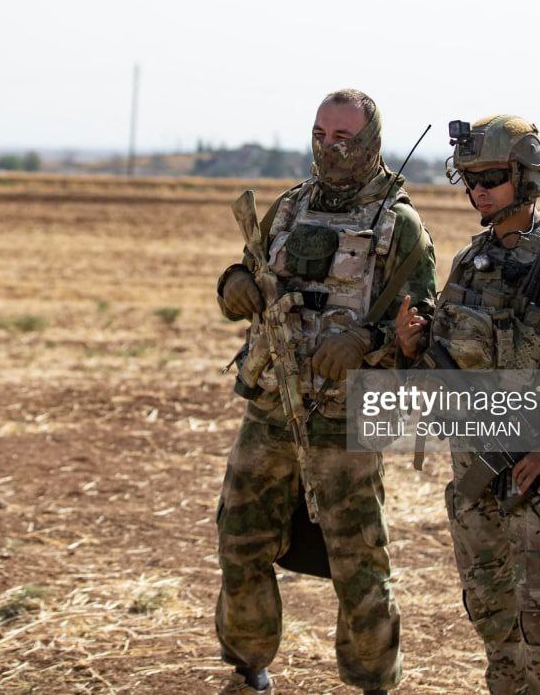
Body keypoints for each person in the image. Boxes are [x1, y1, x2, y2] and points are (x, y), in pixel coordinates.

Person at [214, 89, 436, 695]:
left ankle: (371, 682)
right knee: (240, 541)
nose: (329, 149)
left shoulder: (400, 224)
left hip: (348, 419)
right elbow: (251, 267)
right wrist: (234, 285)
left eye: (343, 138)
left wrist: (366, 342)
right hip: (272, 408)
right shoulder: (289, 207)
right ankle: (249, 665)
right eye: (320, 135)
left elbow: (426, 326)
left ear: (371, 143)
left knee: (358, 563)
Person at [396, 115, 540, 695]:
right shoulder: (471, 262)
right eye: (468, 178)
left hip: (537, 473)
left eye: (491, 176)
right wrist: (412, 345)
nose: (477, 190)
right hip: (474, 472)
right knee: (494, 620)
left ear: (525, 177)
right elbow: (442, 370)